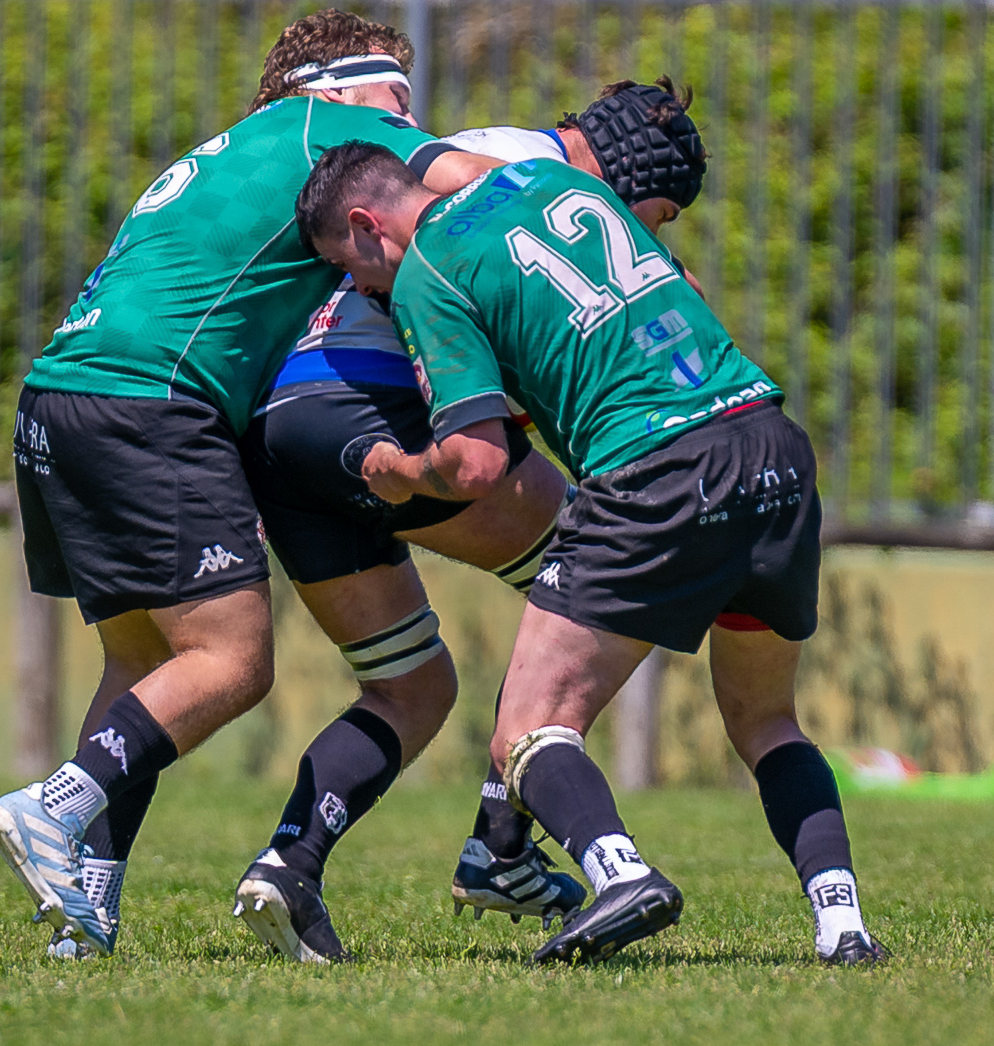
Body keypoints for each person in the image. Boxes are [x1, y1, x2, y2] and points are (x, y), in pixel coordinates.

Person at [0, 10, 505, 960]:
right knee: (231, 662)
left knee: (146, 666)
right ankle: (53, 802)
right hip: (152, 401)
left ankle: (84, 918)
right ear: (337, 87)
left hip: (62, 395)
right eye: (396, 94)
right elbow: (478, 187)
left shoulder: (236, 148)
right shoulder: (323, 133)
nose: (409, 119)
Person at [293, 145, 887, 968]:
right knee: (766, 720)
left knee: (527, 731)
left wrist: (396, 470)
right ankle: (842, 926)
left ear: (365, 226)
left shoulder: (427, 269)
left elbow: (475, 463)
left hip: (657, 472)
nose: (357, 290)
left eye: (343, 266)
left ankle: (620, 874)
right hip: (768, 444)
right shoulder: (550, 181)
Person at [233, 80, 711, 962]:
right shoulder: (529, 180)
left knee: (411, 685)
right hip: (375, 413)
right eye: (663, 214)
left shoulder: (487, 149)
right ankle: (500, 848)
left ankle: (289, 865)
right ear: (637, 180)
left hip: (290, 426)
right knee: (608, 582)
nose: (655, 231)